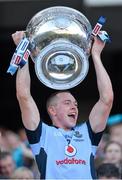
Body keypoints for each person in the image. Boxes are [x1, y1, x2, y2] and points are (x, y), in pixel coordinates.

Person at [11, 31, 113, 179]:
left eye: (76, 104)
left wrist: (96, 55)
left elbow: (107, 99)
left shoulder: (88, 133)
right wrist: (22, 51)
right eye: (67, 103)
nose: (74, 107)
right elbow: (23, 96)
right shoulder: (41, 134)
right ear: (52, 110)